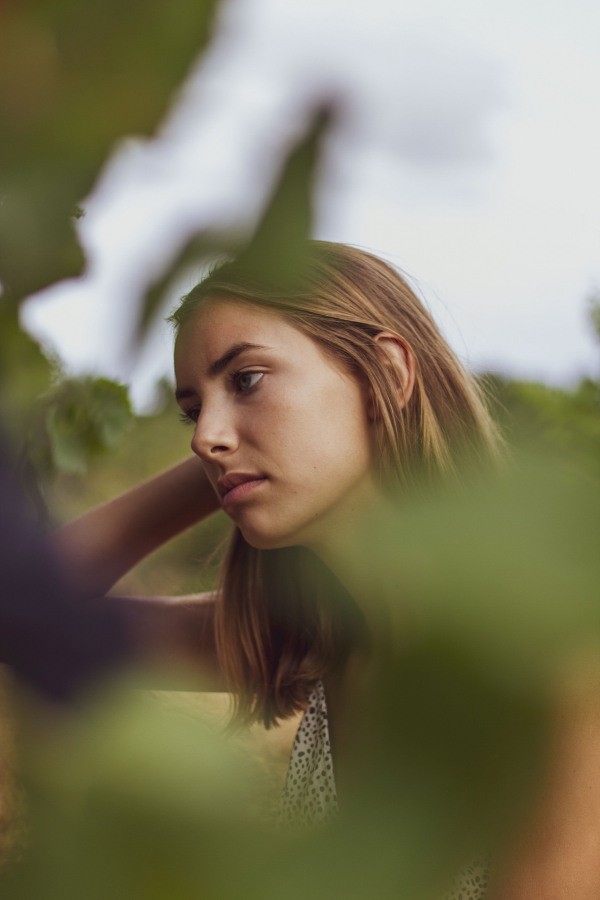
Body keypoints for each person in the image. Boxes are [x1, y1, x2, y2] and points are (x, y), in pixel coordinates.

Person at [52, 242, 600, 899]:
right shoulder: (322, 639)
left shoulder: (546, 656)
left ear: (387, 374)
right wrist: (228, 460)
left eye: (247, 379)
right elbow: (30, 614)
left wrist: (244, 449)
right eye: (192, 410)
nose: (202, 437)